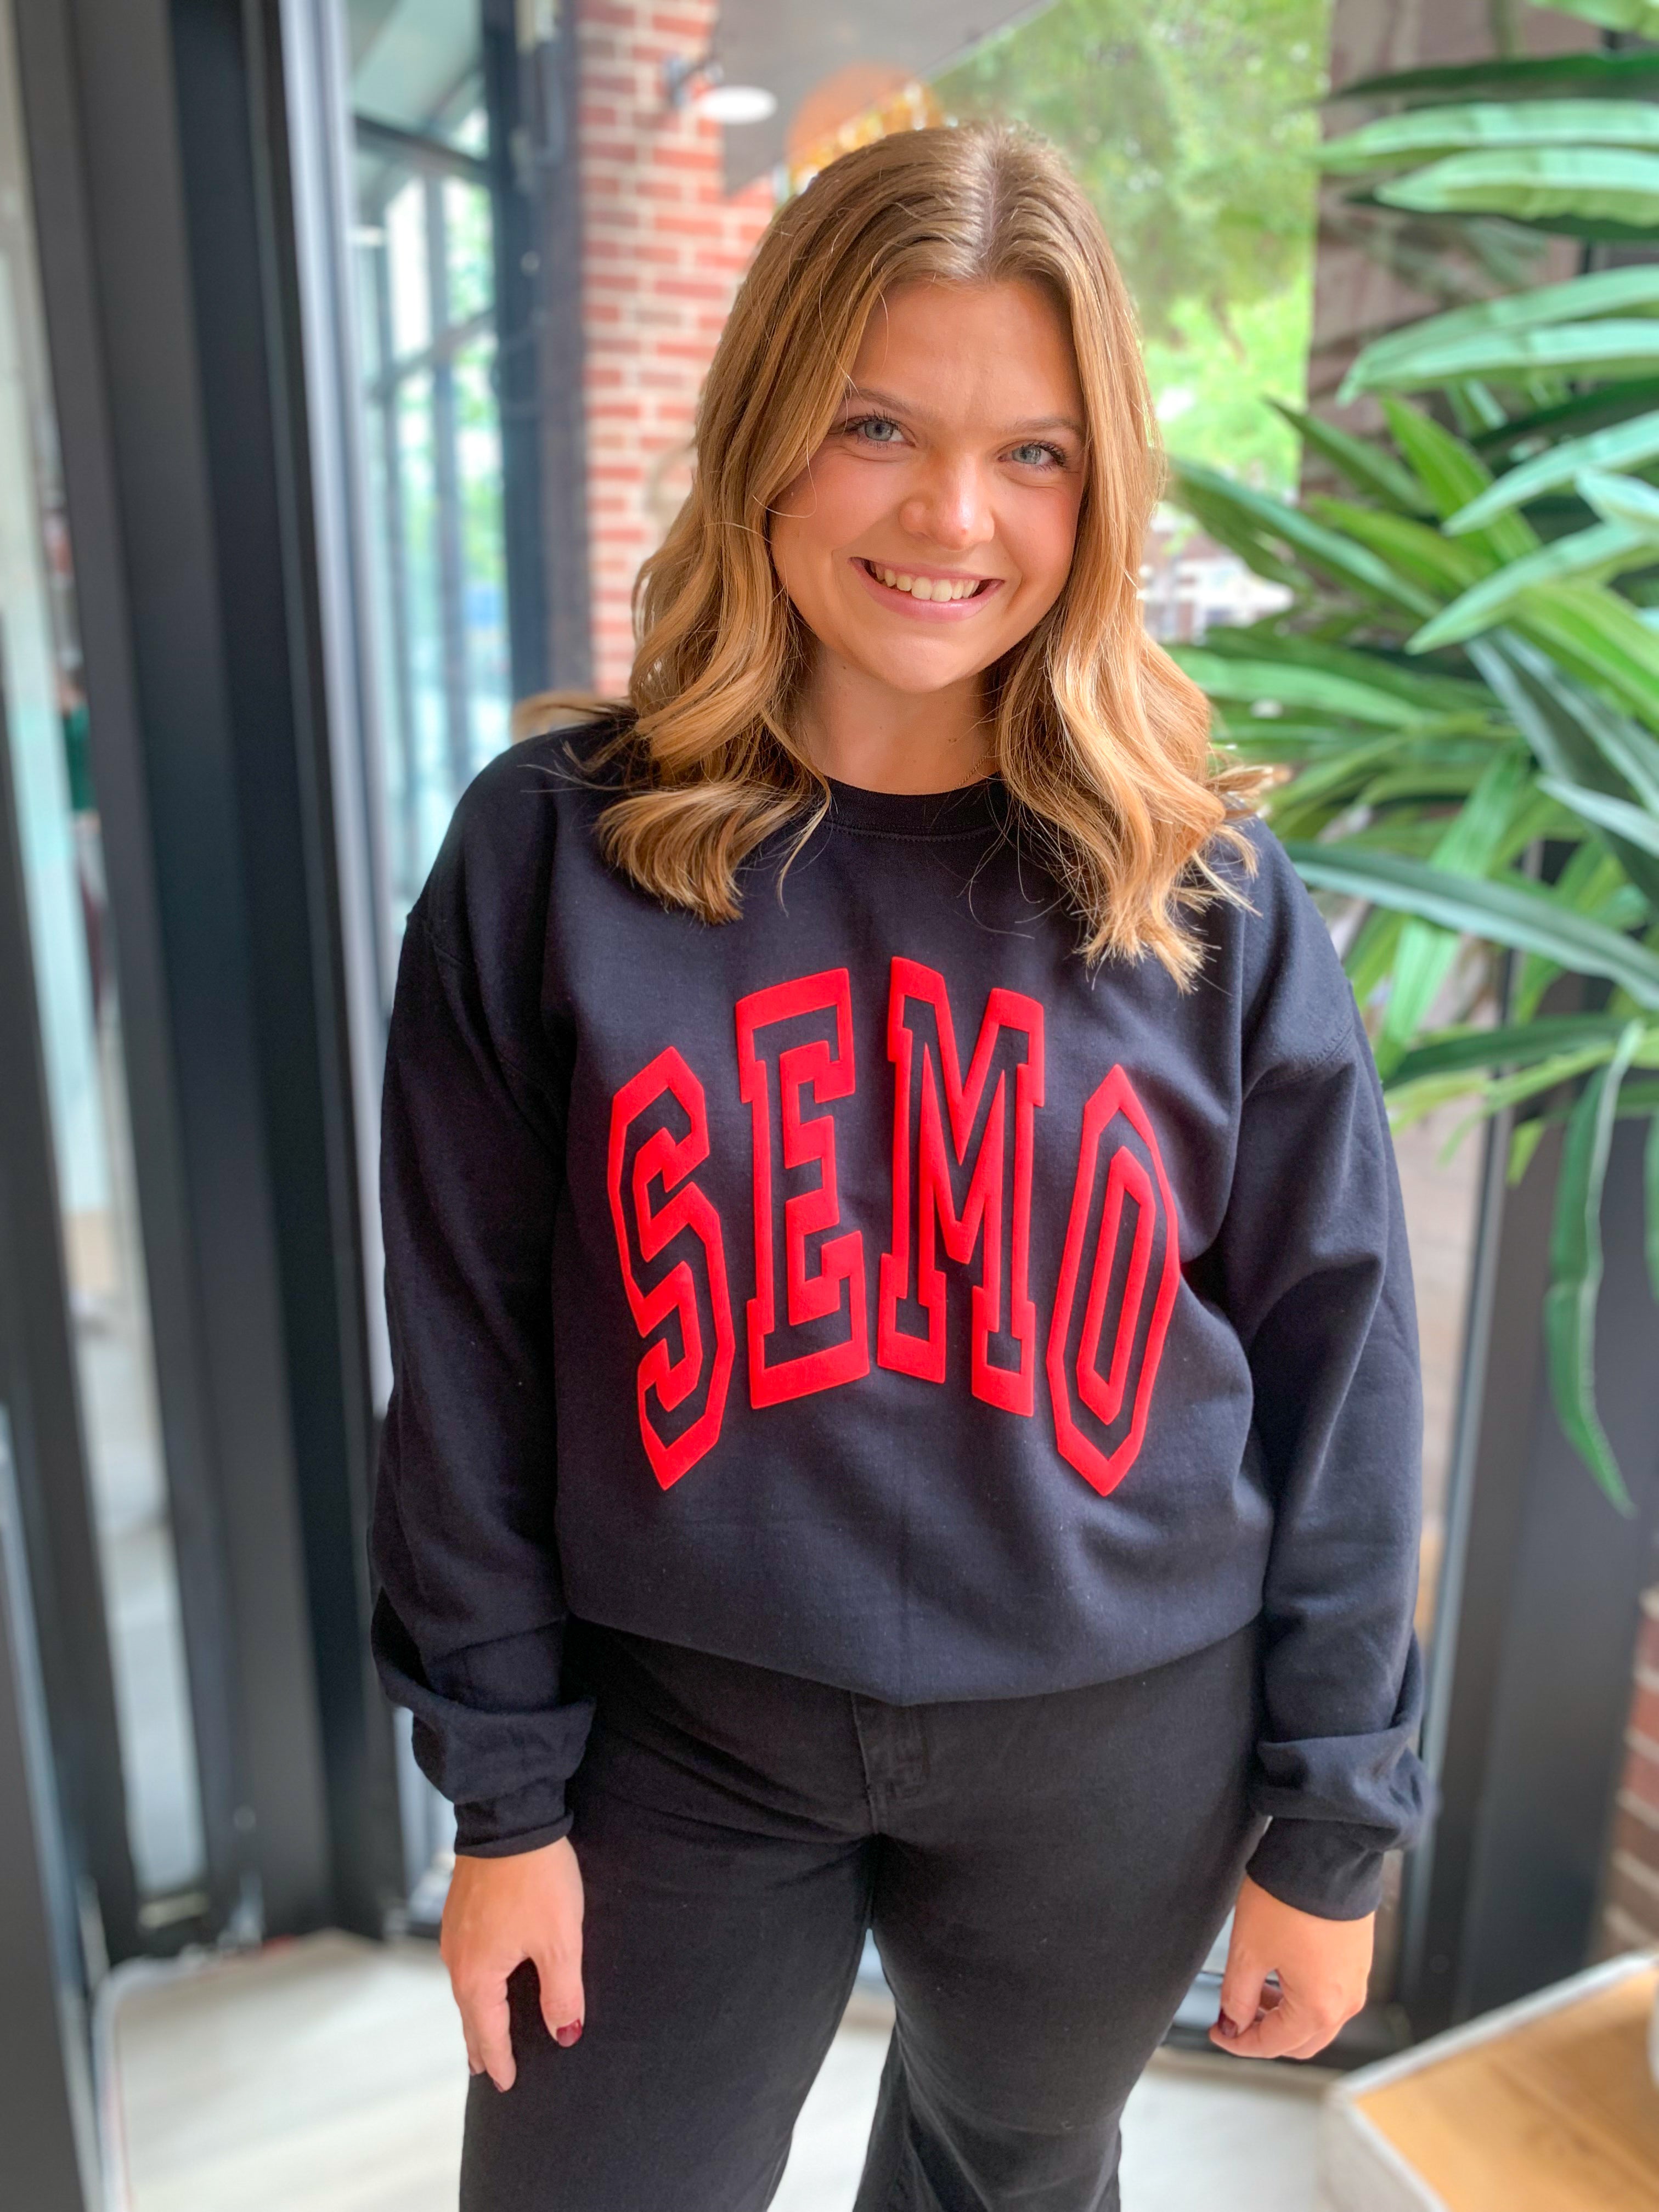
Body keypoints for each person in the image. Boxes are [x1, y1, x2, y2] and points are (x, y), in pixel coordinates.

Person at [369, 121, 1431, 2212]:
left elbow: (1343, 1360)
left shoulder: (1207, 892)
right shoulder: (546, 857)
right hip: (674, 1732)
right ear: (766, 432)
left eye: (1034, 452)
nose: (955, 515)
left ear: (1100, 487)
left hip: (1114, 1746)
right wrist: (499, 1801)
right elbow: (467, 1363)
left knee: (1008, 2182)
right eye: (877, 424)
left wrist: (1331, 1825)